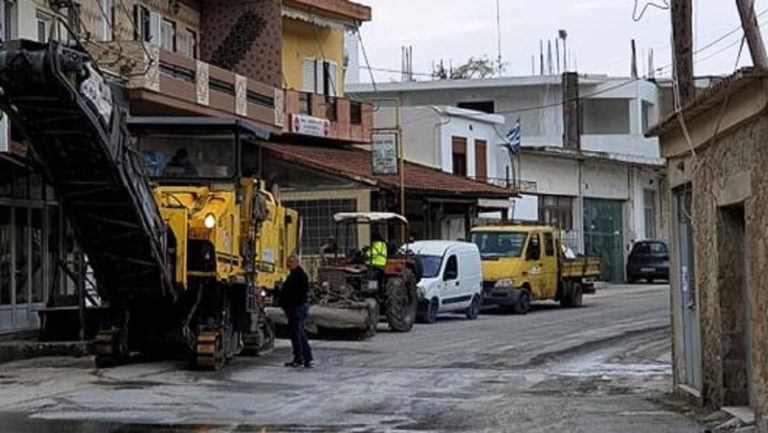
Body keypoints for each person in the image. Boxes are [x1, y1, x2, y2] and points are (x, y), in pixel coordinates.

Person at [278, 254, 313, 368]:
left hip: (297, 308)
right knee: (300, 333)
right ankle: (306, 357)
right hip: (296, 307)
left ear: (297, 263)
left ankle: (299, 358)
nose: (289, 264)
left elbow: (297, 293)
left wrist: (289, 303)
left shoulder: (299, 276)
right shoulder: (295, 275)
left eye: (291, 262)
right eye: (288, 262)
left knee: (296, 334)